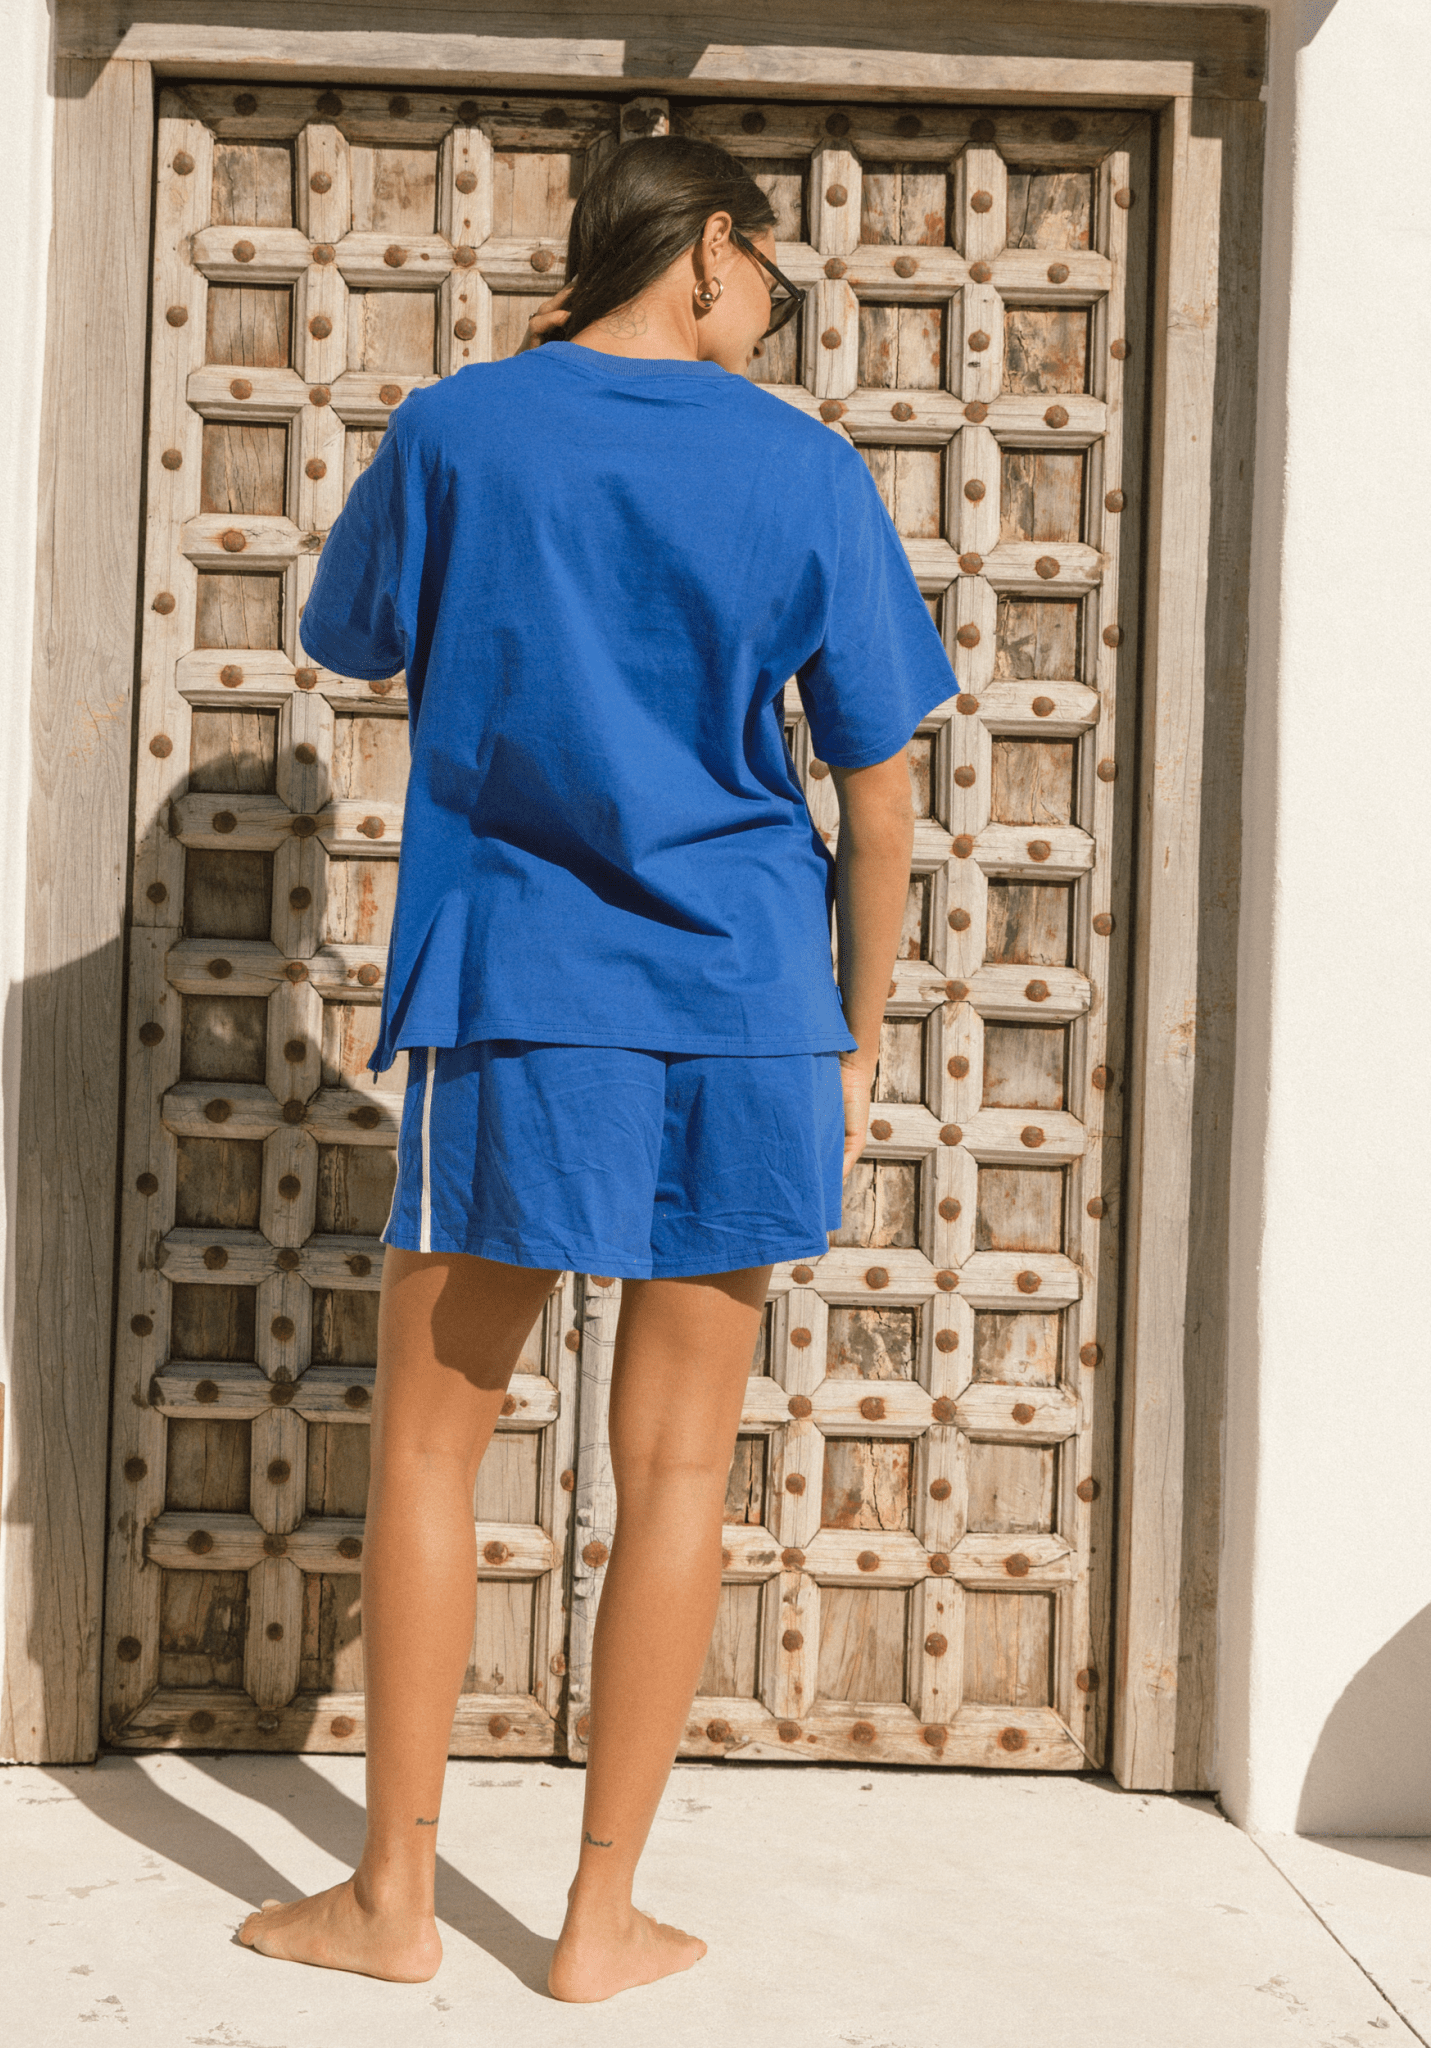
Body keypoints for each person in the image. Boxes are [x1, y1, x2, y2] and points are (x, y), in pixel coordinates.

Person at [238, 135, 956, 2003]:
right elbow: (880, 802)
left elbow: (347, 634)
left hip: (518, 997)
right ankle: (596, 1920)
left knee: (426, 1445)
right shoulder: (804, 465)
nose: (774, 310)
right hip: (748, 1005)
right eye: (772, 272)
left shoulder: (461, 427)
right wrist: (856, 1034)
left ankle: (391, 1902)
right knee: (680, 1469)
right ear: (710, 248)